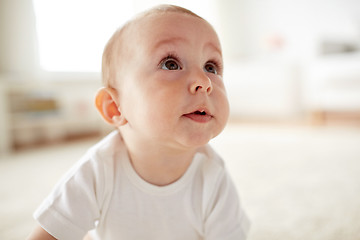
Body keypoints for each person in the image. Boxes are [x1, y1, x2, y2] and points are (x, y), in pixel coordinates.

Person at [27, 4, 250, 240]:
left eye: (211, 66)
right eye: (171, 64)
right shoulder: (97, 171)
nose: (204, 81)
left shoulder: (212, 176)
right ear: (115, 107)